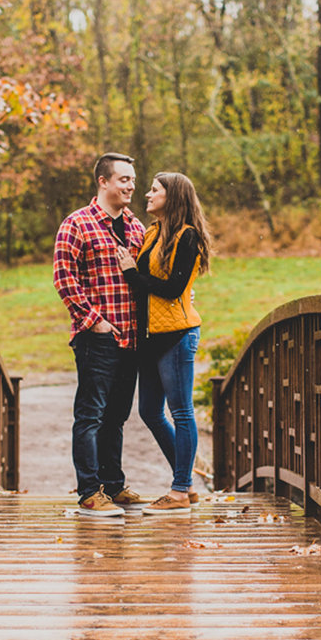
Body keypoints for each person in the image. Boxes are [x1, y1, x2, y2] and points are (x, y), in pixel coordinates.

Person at [53, 153, 148, 517]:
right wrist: (94, 321)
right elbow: (65, 279)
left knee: (117, 416)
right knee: (91, 414)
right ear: (103, 182)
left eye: (133, 179)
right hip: (98, 336)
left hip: (132, 337)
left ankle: (114, 484)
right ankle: (90, 492)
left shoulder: (136, 227)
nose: (130, 186)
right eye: (123, 179)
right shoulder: (77, 224)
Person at [116, 172, 212, 515]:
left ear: (173, 196)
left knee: (181, 411)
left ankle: (180, 490)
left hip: (177, 334)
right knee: (149, 412)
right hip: (150, 337)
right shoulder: (153, 232)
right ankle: (185, 480)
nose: (147, 193)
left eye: (155, 189)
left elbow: (172, 288)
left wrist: (131, 274)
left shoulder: (188, 237)